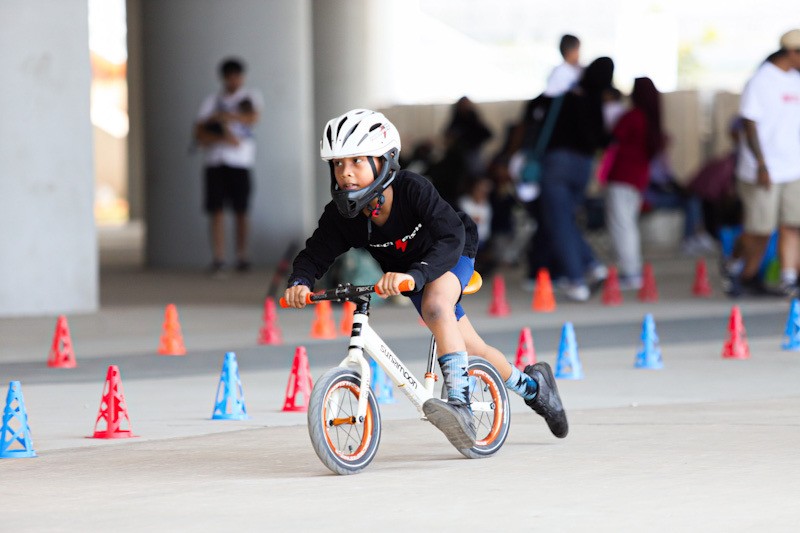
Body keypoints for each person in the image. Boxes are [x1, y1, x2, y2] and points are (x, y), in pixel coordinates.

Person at [283, 109, 567, 450]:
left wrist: (415, 275)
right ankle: (534, 387)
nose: (345, 173)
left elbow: (450, 236)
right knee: (471, 347)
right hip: (411, 272)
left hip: (452, 251)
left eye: (357, 161)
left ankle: (460, 406)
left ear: (385, 160)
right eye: (338, 164)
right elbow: (315, 252)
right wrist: (300, 280)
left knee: (436, 304)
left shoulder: (412, 189)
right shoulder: (344, 215)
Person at [526, 57, 615, 301]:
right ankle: (591, 264)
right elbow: (602, 139)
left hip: (558, 164)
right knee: (566, 219)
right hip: (583, 166)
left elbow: (534, 112)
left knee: (558, 220)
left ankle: (577, 280)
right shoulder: (597, 100)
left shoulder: (567, 96)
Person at [722, 30, 800, 297]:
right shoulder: (761, 80)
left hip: (794, 167)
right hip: (763, 169)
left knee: (793, 224)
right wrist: (762, 164)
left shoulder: (796, 80)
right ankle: (735, 268)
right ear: (792, 52)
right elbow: (749, 124)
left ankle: (788, 278)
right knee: (759, 228)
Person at [194, 58, 263, 275]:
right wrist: (223, 137)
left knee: (241, 210)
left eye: (237, 76)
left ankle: (242, 256)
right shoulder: (211, 101)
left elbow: (253, 117)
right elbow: (199, 132)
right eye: (230, 76)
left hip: (240, 163)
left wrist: (225, 117)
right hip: (215, 162)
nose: (233, 80)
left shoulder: (250, 97)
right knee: (216, 211)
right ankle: (219, 257)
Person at [604, 77, 665, 289]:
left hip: (622, 176)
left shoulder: (632, 117)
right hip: (638, 178)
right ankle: (632, 269)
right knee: (628, 223)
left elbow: (611, 139)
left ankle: (630, 273)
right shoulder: (652, 120)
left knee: (622, 225)